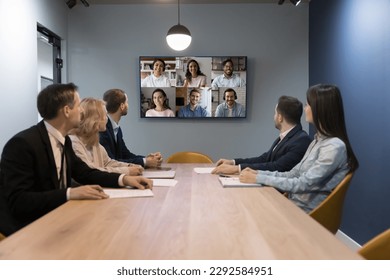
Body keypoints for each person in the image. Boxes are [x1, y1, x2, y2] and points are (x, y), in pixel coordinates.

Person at [0, 83, 153, 232]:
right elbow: (19, 201)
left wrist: (124, 179)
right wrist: (69, 193)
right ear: (67, 111)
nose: (82, 111)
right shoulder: (22, 144)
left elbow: (85, 173)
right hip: (27, 229)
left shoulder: (63, 140)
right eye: (79, 106)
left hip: (56, 220)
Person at [239, 84, 359, 213]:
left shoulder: (334, 147)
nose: (305, 109)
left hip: (306, 213)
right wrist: (258, 173)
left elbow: (304, 184)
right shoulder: (316, 141)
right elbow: (293, 174)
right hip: (292, 204)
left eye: (308, 105)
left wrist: (258, 178)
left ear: (320, 109)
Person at [212, 95, 311, 175]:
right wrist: (233, 162)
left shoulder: (301, 140)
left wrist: (236, 169)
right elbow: (264, 158)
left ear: (280, 118)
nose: (274, 117)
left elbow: (277, 167)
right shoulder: (286, 137)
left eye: (275, 113)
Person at [70, 98, 144, 176]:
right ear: (95, 118)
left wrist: (129, 166)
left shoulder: (94, 143)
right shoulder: (74, 143)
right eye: (105, 115)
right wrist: (127, 170)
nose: (107, 118)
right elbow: (91, 171)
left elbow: (108, 162)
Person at [99, 88, 163, 167]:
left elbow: (125, 155)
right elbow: (112, 162)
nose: (128, 105)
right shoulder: (102, 128)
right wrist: (145, 161)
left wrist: (147, 159)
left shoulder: (116, 129)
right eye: (127, 102)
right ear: (122, 106)